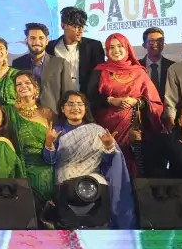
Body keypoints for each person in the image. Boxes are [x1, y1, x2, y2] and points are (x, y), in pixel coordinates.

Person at [45, 91, 137, 228]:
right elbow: (49, 161)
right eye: (70, 104)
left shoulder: (97, 130)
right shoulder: (55, 131)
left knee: (97, 187)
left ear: (85, 108)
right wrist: (49, 143)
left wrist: (109, 146)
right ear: (63, 109)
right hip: (65, 181)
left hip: (93, 181)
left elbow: (109, 161)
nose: (75, 107)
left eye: (79, 104)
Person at [87, 32, 165, 175]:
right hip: (105, 127)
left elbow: (154, 102)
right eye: (111, 47)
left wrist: (136, 101)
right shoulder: (100, 70)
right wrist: (111, 100)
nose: (116, 50)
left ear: (127, 47)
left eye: (120, 46)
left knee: (133, 167)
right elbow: (90, 98)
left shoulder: (139, 72)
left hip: (133, 128)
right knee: (108, 166)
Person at [10, 71, 57, 204]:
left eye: (27, 83)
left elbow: (57, 144)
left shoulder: (47, 113)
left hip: (45, 168)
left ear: (35, 87)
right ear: (15, 90)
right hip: (19, 167)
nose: (23, 86)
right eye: (19, 84)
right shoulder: (9, 112)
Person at [11, 22, 72, 111]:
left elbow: (68, 95)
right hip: (25, 114)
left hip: (53, 115)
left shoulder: (60, 63)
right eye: (32, 38)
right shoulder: (17, 63)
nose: (37, 42)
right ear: (26, 40)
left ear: (47, 41)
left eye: (41, 38)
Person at [51, 7, 106, 94]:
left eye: (82, 26)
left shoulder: (94, 46)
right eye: (76, 26)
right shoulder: (50, 47)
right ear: (63, 25)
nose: (81, 31)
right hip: (60, 98)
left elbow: (100, 76)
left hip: (87, 98)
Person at [141, 27, 173, 99]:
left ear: (164, 44)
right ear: (144, 45)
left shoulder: (172, 66)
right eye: (151, 41)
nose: (156, 44)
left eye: (160, 41)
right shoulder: (136, 66)